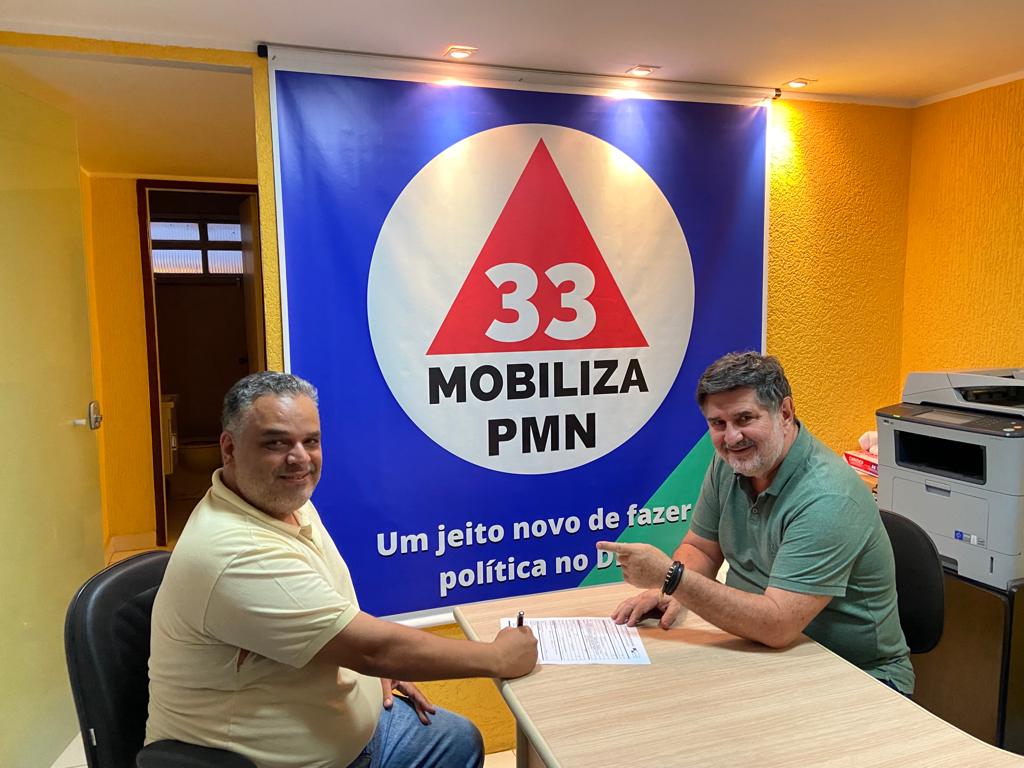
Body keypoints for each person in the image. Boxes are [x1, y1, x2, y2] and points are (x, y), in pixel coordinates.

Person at [146, 372, 537, 768]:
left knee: (456, 739)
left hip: (350, 725)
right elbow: (374, 649)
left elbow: (337, 619)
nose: (300, 458)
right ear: (229, 448)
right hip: (281, 761)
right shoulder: (237, 551)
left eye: (310, 441)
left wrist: (377, 672)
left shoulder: (285, 502)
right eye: (276, 442)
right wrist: (497, 658)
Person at [598, 351, 914, 694]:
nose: (732, 438)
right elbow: (700, 549)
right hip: (765, 651)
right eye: (718, 424)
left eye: (745, 418)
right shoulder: (730, 463)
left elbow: (778, 625)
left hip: (858, 677)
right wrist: (670, 592)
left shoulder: (829, 496)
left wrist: (673, 579)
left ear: (785, 413)